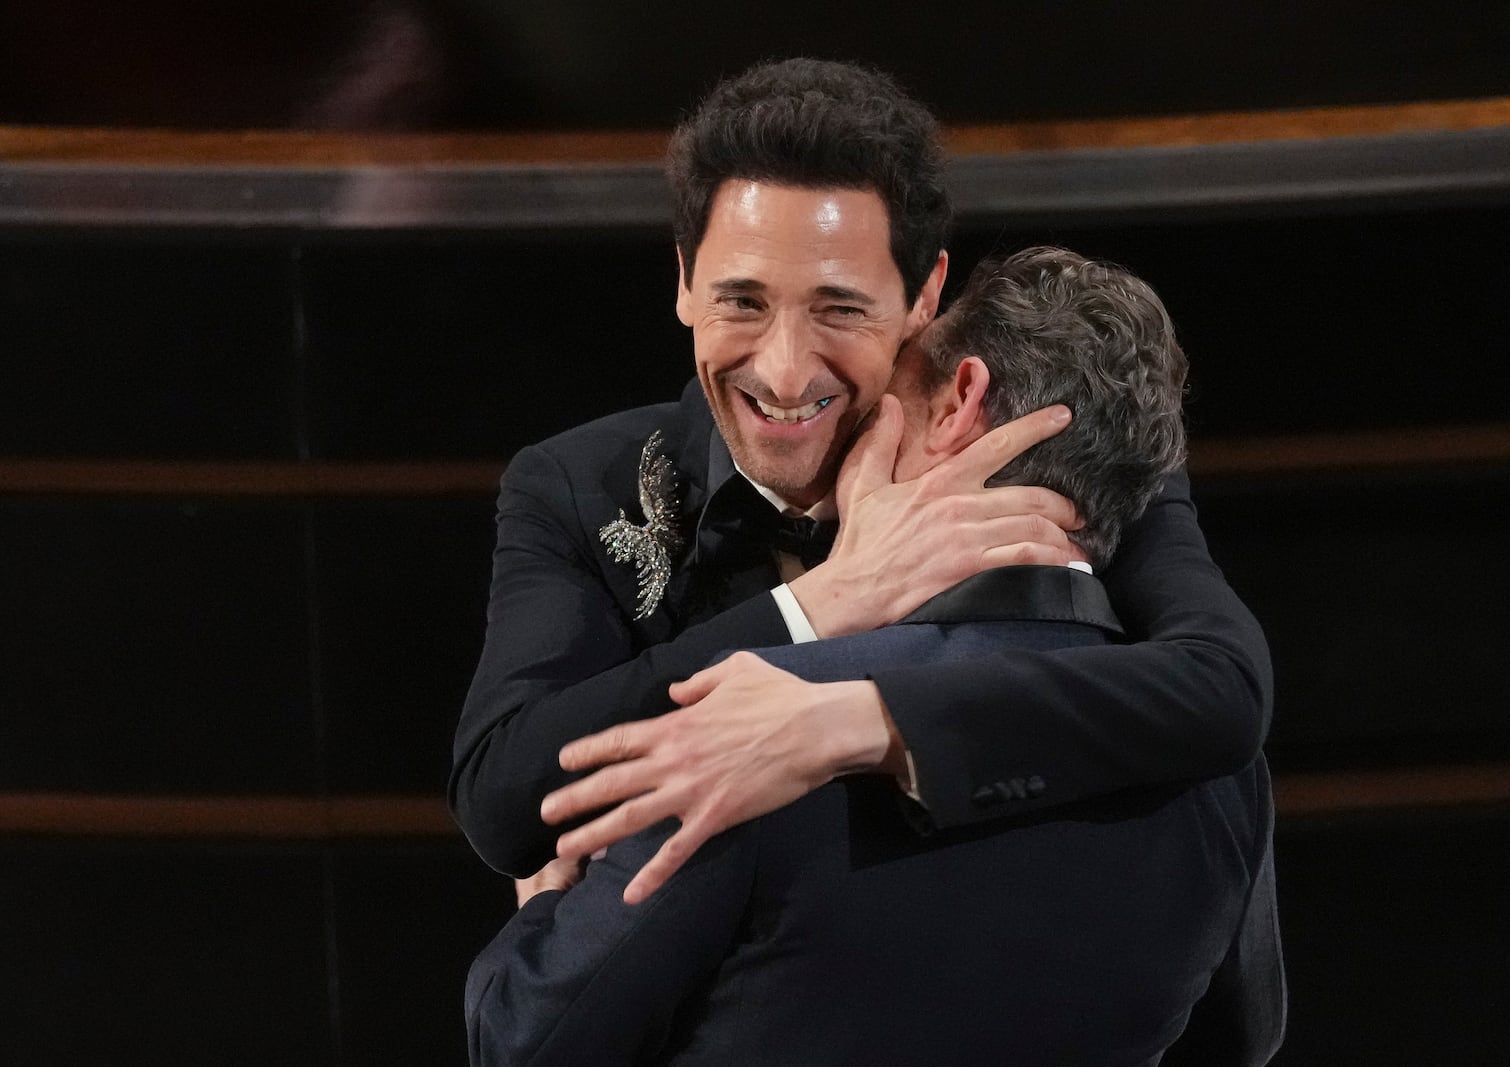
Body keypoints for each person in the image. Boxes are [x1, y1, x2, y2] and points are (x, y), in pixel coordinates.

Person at [451, 57, 1270, 906]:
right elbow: (505, 801)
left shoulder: (1039, 451)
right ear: (686, 283)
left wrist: (866, 722)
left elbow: (1223, 691)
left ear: (925, 296)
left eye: (839, 309)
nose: (784, 371)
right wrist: (825, 604)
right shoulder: (577, 483)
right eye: (743, 301)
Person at [465, 247, 1284, 1066]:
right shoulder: (1219, 769)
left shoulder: (753, 735)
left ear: (960, 400)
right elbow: (1243, 1040)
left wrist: (543, 907)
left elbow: (527, 1043)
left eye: (887, 390)